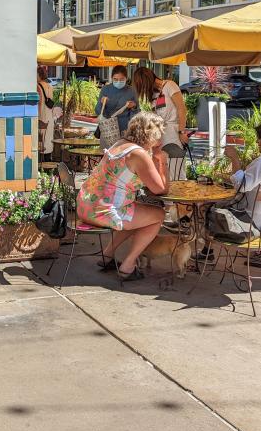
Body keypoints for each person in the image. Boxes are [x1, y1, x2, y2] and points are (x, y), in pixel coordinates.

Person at [77, 112, 170, 282]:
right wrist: (161, 159)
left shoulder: (120, 144)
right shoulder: (139, 154)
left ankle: (108, 255)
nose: (160, 141)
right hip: (103, 211)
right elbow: (160, 189)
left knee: (140, 214)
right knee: (158, 215)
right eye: (159, 136)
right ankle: (128, 265)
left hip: (85, 205)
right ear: (151, 135)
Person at [201, 120, 261, 258]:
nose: (258, 141)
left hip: (248, 222)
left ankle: (207, 253)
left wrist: (234, 159)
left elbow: (241, 186)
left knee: (206, 207)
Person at [133, 67, 189, 179]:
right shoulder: (154, 94)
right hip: (161, 136)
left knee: (176, 169)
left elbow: (182, 109)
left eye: (143, 86)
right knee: (165, 168)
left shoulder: (170, 85)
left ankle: (180, 192)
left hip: (173, 133)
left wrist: (182, 131)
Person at [95, 65, 136, 135]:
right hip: (108, 129)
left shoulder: (131, 91)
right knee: (106, 146)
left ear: (126, 78)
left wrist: (133, 107)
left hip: (125, 129)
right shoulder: (105, 89)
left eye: (122, 79)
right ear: (112, 78)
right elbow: (98, 111)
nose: (118, 82)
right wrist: (102, 103)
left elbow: (137, 112)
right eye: (115, 79)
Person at [37, 66, 56, 160]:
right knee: (48, 140)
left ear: (38, 75)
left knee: (41, 141)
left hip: (41, 116)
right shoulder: (50, 86)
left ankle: (41, 164)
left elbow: (39, 103)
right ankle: (48, 161)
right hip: (50, 117)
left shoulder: (38, 86)